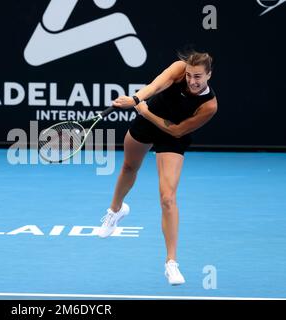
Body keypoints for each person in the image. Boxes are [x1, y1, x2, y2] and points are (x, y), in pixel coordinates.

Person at [98, 51, 218, 285]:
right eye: (190, 75)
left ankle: (171, 263)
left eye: (199, 77)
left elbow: (177, 131)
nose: (193, 81)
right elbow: (154, 87)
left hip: (172, 133)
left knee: (168, 198)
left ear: (209, 76)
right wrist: (134, 100)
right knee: (129, 167)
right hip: (146, 123)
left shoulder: (209, 105)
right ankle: (115, 211)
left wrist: (145, 111)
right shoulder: (177, 69)